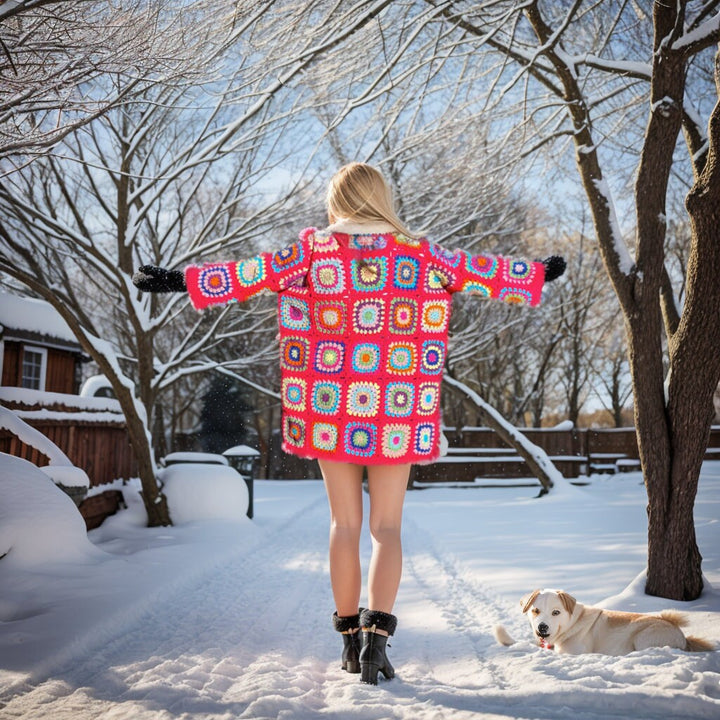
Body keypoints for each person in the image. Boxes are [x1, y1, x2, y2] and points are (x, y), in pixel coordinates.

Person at [133, 162, 565, 684]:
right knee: (387, 529)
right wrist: (536, 272)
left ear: (335, 200)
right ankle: (377, 645)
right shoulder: (418, 253)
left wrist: (179, 281)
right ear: (382, 198)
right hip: (398, 408)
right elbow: (481, 271)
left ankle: (347, 641)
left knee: (344, 526)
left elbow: (250, 274)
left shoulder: (310, 253)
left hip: (330, 410)